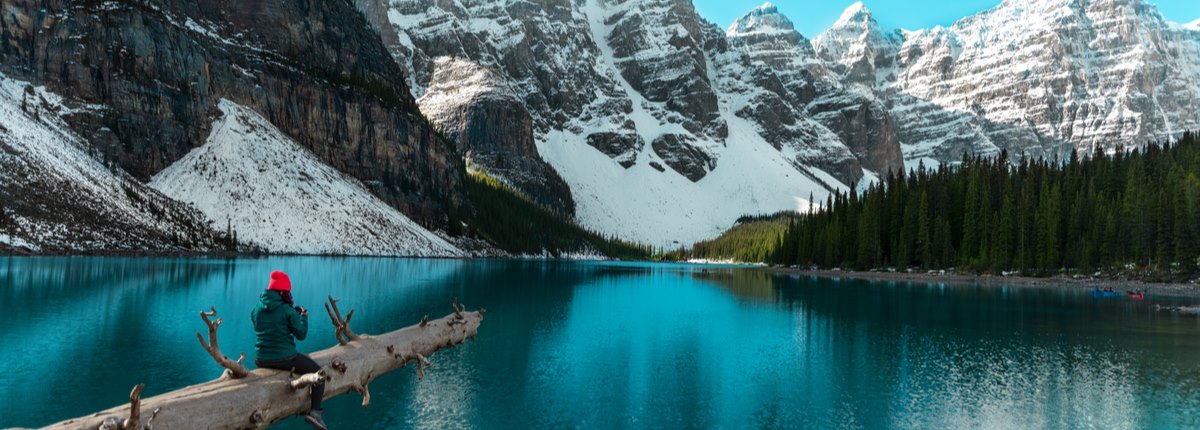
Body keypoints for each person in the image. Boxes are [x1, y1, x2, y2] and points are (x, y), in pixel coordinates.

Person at [251, 270, 327, 430]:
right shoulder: (287, 310)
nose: (289, 294)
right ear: (282, 292)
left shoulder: (257, 307)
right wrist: (303, 317)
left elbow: (258, 325)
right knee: (319, 374)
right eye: (287, 291)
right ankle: (315, 413)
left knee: (301, 360)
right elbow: (301, 334)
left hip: (260, 359)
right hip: (284, 359)